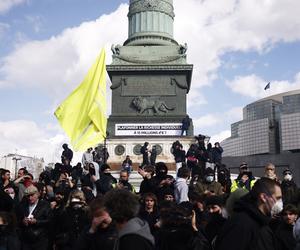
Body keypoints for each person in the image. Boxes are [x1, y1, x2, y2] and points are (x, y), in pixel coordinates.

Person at [215, 177, 283, 250]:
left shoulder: (261, 222)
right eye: (278, 198)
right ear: (263, 197)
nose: (280, 202)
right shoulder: (242, 224)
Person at [16, 185, 51, 250]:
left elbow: (49, 221)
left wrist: (36, 221)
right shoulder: (23, 205)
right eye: (28, 196)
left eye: (32, 195)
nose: (30, 198)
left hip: (40, 239)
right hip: (26, 239)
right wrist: (23, 221)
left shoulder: (45, 205)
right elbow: (17, 220)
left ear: (37, 194)